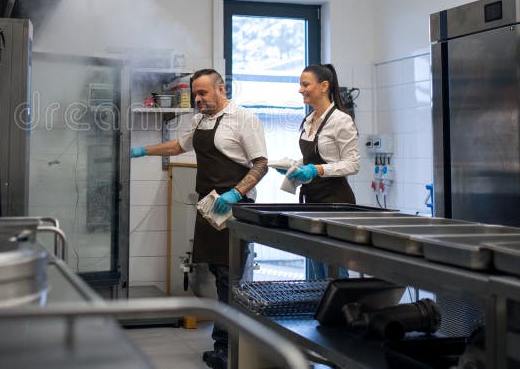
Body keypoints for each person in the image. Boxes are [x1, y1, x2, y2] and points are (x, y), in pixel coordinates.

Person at [130, 69, 268, 369]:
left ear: (221, 89)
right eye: (195, 93)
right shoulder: (200, 120)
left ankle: (231, 348)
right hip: (208, 206)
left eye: (203, 92)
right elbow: (179, 146)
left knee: (230, 278)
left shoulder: (243, 118)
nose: (198, 98)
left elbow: (261, 164)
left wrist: (235, 194)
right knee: (218, 275)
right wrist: (143, 151)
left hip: (234, 208)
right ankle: (224, 344)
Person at [282, 63, 360, 279]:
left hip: (336, 203)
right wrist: (293, 169)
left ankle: (340, 312)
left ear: (324, 86)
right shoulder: (309, 119)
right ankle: (322, 311)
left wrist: (316, 170)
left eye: (305, 84)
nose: (300, 90)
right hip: (312, 201)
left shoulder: (341, 120)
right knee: (316, 266)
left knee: (334, 269)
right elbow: (312, 158)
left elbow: (352, 164)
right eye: (300, 85)